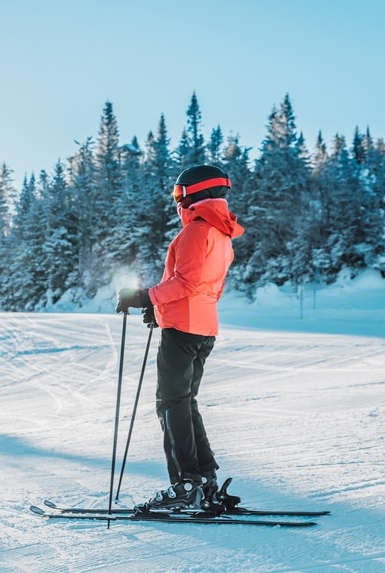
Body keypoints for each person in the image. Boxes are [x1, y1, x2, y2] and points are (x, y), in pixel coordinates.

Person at [115, 164, 244, 512]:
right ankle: (206, 481)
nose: (177, 201)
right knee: (185, 403)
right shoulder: (222, 235)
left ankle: (186, 485)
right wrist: (159, 310)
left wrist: (143, 297)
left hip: (183, 331)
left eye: (178, 194)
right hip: (203, 329)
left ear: (196, 193)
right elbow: (205, 289)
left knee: (170, 404)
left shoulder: (195, 233)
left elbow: (185, 283)